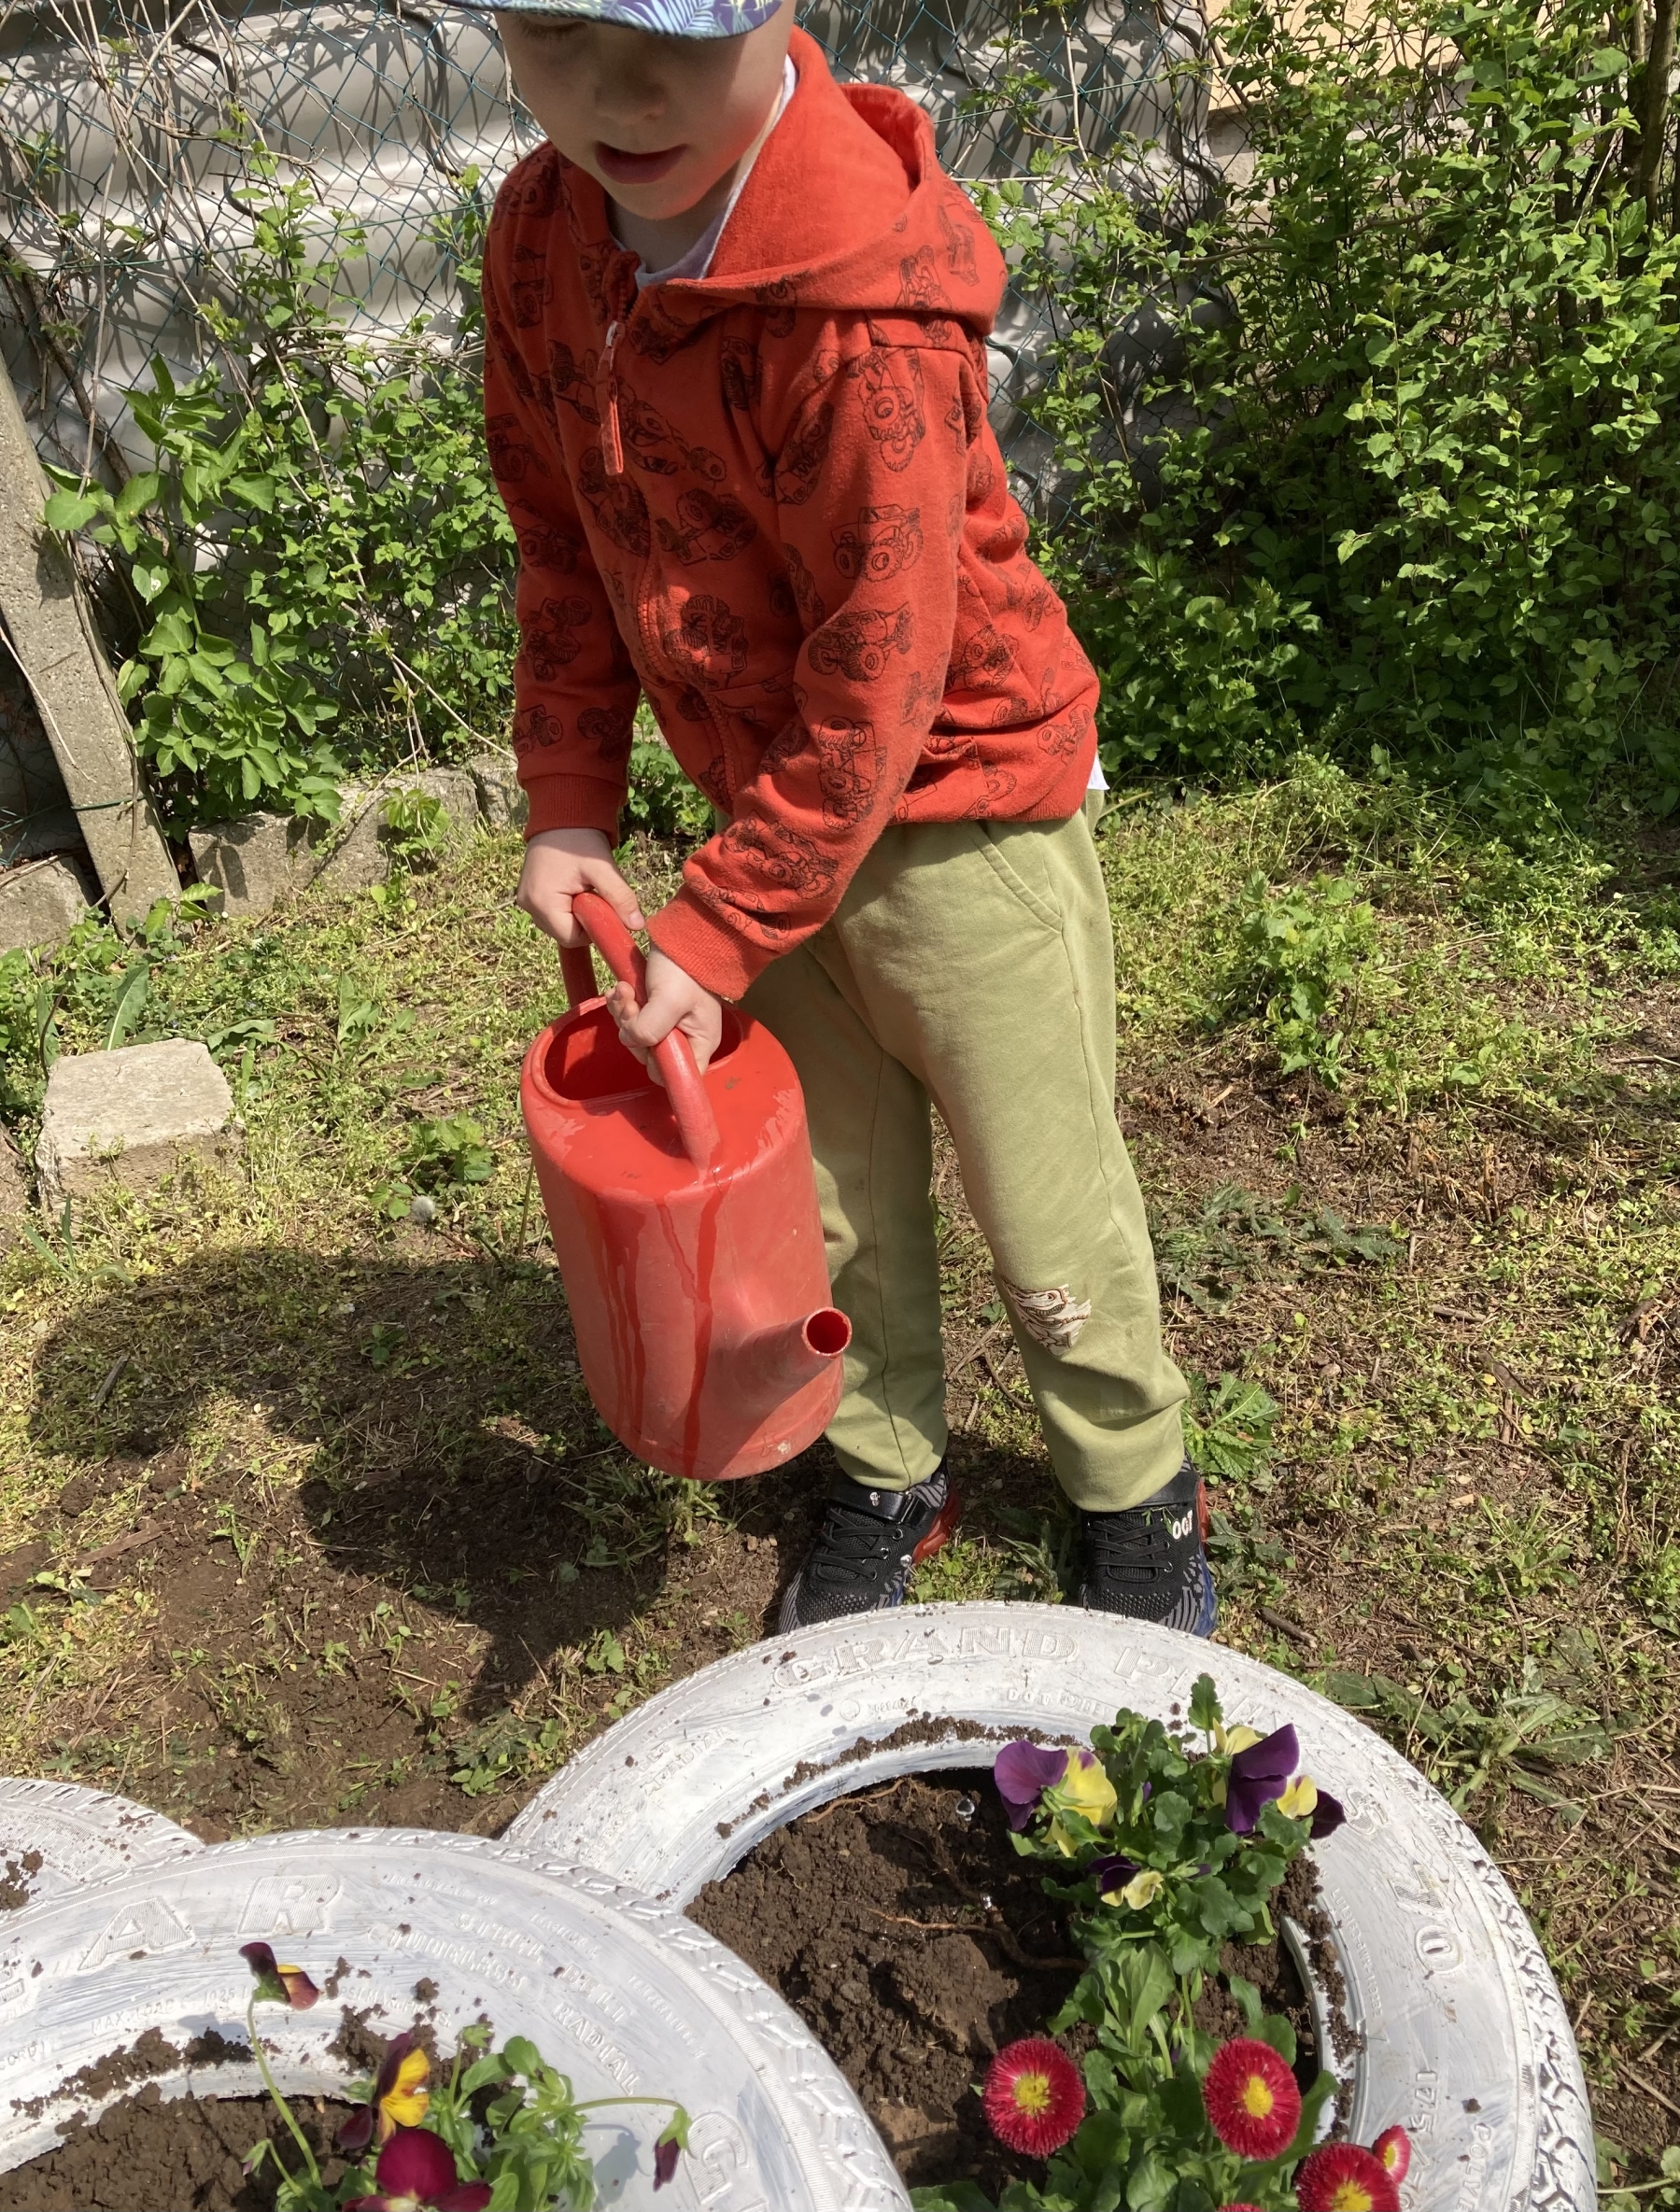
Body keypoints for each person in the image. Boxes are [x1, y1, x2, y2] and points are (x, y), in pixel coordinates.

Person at [478, 0, 1216, 1635]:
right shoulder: (543, 239)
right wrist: (570, 799)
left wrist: (716, 921)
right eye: (558, 29)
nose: (621, 88)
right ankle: (886, 1465)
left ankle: (1134, 1486)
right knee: (834, 1191)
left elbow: (882, 677)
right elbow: (562, 534)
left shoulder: (860, 319)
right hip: (769, 820)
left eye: (674, 31)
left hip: (963, 820)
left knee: (1044, 1199)